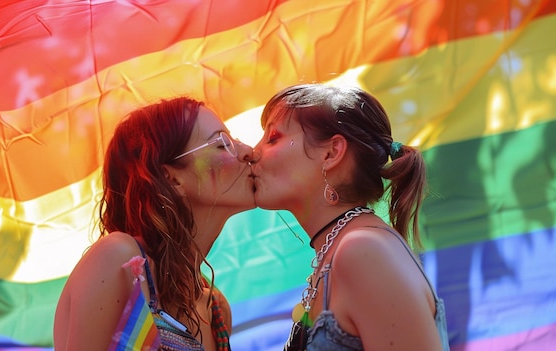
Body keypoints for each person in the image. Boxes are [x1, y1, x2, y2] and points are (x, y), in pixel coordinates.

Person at [251, 84, 450, 351]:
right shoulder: (344, 249)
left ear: (331, 153)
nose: (253, 151)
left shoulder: (363, 250)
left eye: (273, 137)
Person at [54, 97, 256, 351]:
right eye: (221, 143)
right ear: (172, 179)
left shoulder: (216, 308)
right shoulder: (120, 259)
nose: (248, 150)